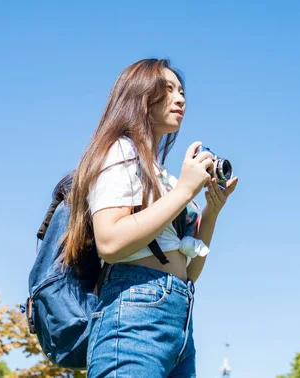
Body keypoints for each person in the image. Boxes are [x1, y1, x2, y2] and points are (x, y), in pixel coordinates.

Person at [60, 58, 238, 377]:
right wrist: (184, 190)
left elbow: (190, 271)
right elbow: (111, 242)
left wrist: (211, 211)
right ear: (140, 96)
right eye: (167, 89)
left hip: (179, 316)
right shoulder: (119, 151)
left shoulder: (163, 175)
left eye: (182, 91)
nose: (181, 98)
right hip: (134, 312)